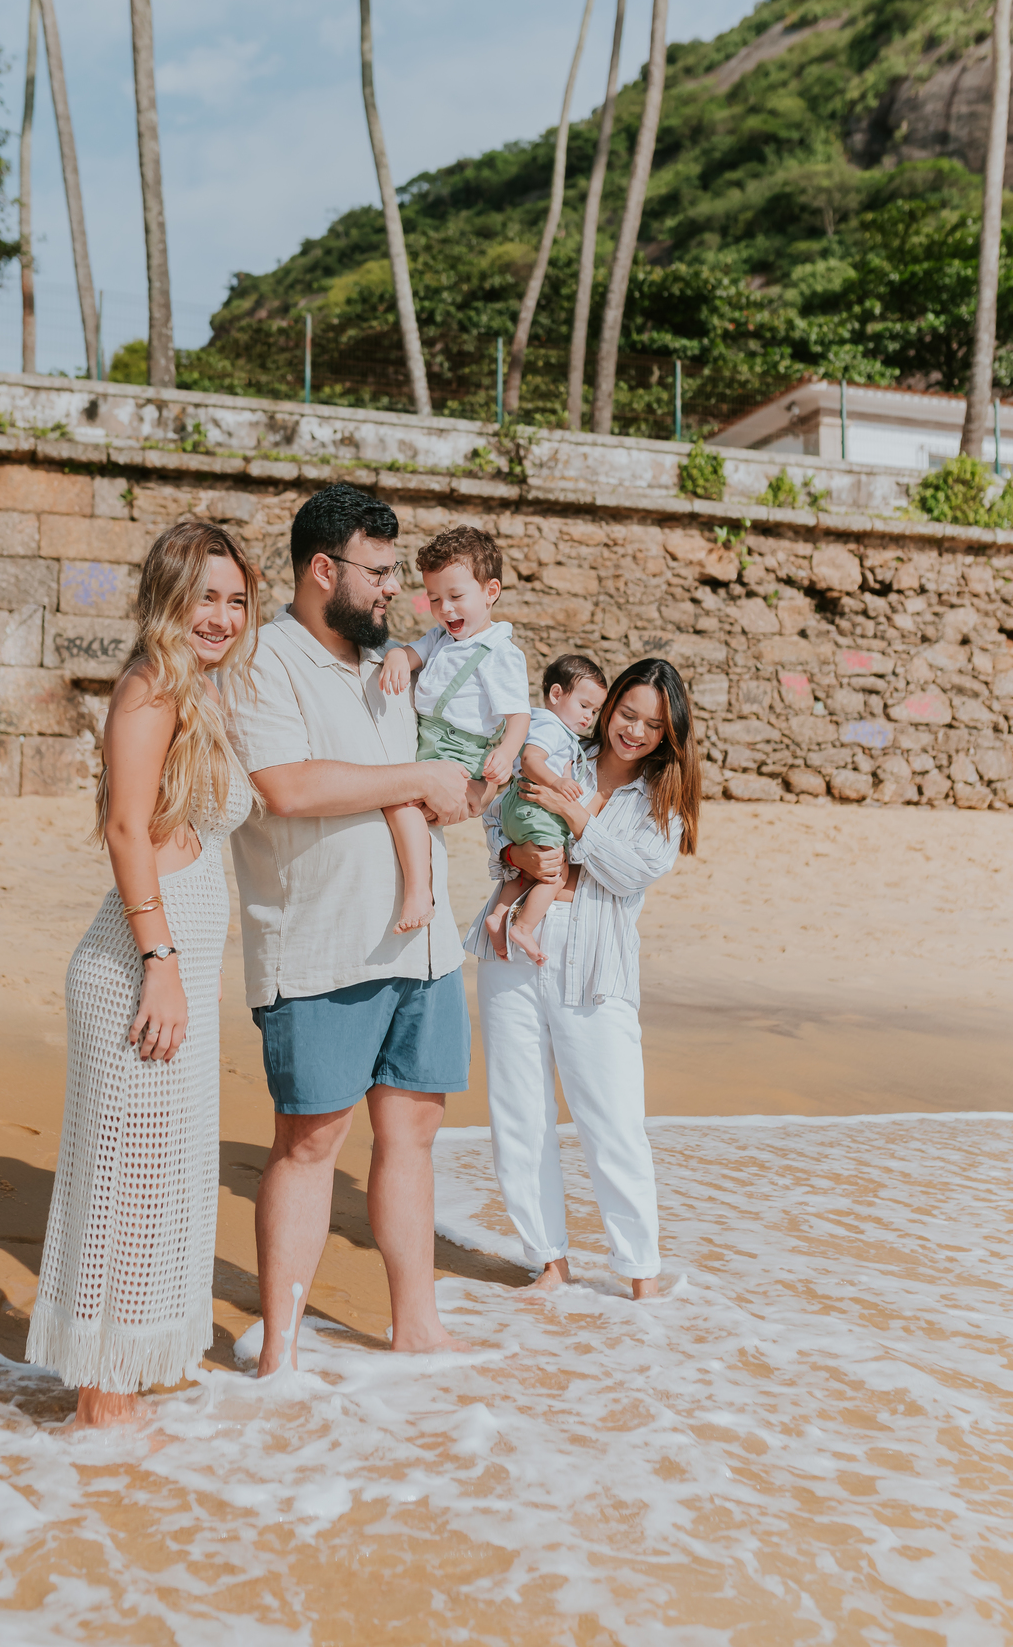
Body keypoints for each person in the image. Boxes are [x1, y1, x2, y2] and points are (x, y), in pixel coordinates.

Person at [227, 484, 493, 1376]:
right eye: (379, 573)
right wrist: (417, 776)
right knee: (309, 1144)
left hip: (421, 946)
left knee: (413, 1131)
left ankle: (416, 1326)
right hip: (321, 944)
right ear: (322, 570)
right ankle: (283, 1358)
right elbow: (289, 788)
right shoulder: (264, 658)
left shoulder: (394, 667)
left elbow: (405, 782)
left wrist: (447, 788)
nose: (395, 591)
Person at [26, 518, 259, 1427]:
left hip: (169, 972)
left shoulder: (197, 691)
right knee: (130, 1185)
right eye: (206, 596)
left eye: (237, 599)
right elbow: (128, 830)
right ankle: (102, 1410)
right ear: (168, 596)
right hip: (136, 971)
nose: (223, 616)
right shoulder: (154, 686)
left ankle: (114, 1393)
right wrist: (161, 962)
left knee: (158, 1183)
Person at [466, 657, 701, 1300]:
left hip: (595, 965)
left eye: (654, 725)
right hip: (514, 945)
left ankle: (640, 1274)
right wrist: (516, 853)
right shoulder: (559, 747)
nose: (635, 731)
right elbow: (497, 823)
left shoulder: (659, 798)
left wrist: (573, 819)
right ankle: (548, 1260)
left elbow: (630, 872)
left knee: (613, 1120)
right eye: (627, 713)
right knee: (520, 1111)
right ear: (610, 704)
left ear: (669, 733)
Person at [379, 526, 531, 934]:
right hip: (430, 742)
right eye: (433, 599)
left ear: (490, 591)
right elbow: (414, 652)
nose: (445, 609)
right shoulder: (442, 638)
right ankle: (414, 884)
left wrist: (505, 753)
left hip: (461, 753)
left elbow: (518, 716)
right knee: (406, 809)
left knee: (402, 805)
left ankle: (419, 890)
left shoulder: (499, 653)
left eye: (456, 597)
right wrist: (398, 657)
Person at [483, 652, 608, 962]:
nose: (588, 718)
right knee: (555, 873)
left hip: (517, 809)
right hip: (535, 808)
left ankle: (499, 915)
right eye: (583, 706)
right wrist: (557, 783)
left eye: (594, 711)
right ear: (556, 694)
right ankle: (523, 927)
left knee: (527, 870)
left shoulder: (539, 722)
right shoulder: (551, 726)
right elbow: (530, 760)